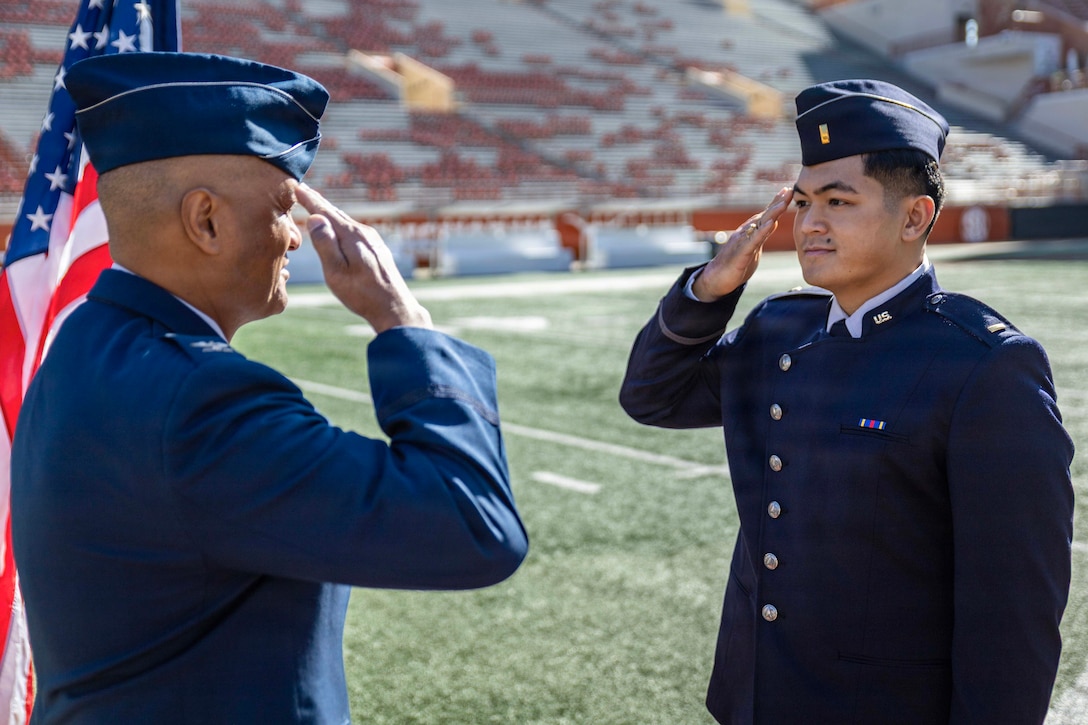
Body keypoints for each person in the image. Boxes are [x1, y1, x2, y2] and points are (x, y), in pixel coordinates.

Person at [10, 52, 528, 724]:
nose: (295, 239)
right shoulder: (201, 400)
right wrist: (404, 322)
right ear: (207, 221)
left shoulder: (82, 345)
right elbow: (473, 526)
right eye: (286, 206)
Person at [620, 79, 1074, 724]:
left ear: (914, 216)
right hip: (756, 697)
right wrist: (707, 291)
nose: (810, 224)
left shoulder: (984, 364)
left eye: (838, 201)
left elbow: (1012, 610)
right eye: (802, 203)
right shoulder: (778, 330)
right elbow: (650, 397)